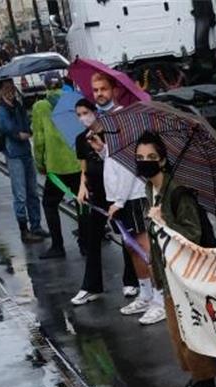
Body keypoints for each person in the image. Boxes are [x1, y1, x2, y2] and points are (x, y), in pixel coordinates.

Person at [136, 130, 216, 387]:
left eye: (150, 157)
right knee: (177, 334)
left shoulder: (178, 193)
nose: (144, 162)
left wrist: (163, 223)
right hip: (168, 274)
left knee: (191, 332)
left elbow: (192, 234)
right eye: (139, 157)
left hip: (186, 276)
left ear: (163, 161)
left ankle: (207, 384)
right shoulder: (150, 189)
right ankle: (197, 378)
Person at [92, 71, 163, 324]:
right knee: (132, 249)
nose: (99, 93)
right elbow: (115, 160)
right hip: (119, 196)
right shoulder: (106, 121)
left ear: (114, 90)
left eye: (103, 89)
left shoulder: (123, 120)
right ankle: (144, 294)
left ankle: (159, 298)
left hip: (131, 196)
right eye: (95, 89)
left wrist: (119, 201)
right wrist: (102, 152)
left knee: (145, 248)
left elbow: (131, 166)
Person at [71, 103, 139, 304]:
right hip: (95, 193)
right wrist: (82, 188)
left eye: (86, 113)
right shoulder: (80, 139)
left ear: (95, 113)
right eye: (79, 115)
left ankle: (131, 280)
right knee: (92, 238)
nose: (83, 117)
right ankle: (90, 286)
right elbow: (83, 167)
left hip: (115, 192)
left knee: (127, 236)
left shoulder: (111, 134)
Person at [32, 72, 82, 258]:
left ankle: (58, 246)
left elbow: (38, 139)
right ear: (62, 84)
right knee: (81, 202)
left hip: (56, 166)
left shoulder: (40, 107)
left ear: (45, 85)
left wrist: (40, 163)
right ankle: (86, 242)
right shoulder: (74, 100)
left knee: (50, 204)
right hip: (77, 162)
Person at [0, 80, 46, 242]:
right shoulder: (0, 110)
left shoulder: (18, 106)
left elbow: (26, 123)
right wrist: (19, 134)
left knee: (32, 191)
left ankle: (36, 225)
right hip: (13, 153)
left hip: (24, 151)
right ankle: (24, 231)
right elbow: (6, 127)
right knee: (20, 194)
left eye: (12, 88)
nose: (11, 92)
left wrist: (28, 129)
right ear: (1, 92)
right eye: (7, 89)